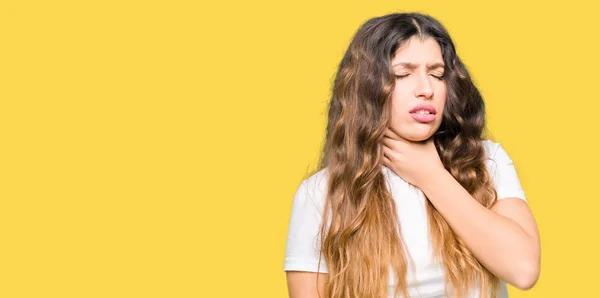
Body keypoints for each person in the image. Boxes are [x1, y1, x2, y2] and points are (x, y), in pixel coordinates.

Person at [283, 12, 541, 298]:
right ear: (368, 88)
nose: (426, 89)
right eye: (403, 74)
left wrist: (431, 176)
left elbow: (523, 269)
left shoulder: (486, 162)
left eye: (437, 74)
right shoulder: (321, 192)